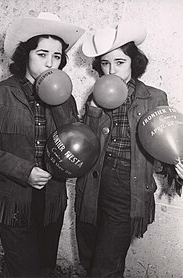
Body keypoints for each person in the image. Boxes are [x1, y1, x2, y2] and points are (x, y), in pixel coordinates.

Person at [0, 12, 84, 277]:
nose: (50, 63)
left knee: (45, 266)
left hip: (51, 198)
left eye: (56, 56)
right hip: (13, 199)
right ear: (25, 55)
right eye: (42, 54)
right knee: (23, 269)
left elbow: (74, 140)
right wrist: (24, 171)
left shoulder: (66, 98)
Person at [75, 21, 183, 277]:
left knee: (105, 264)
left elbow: (164, 142)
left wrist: (177, 166)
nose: (111, 70)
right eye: (105, 63)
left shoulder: (155, 98)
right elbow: (85, 144)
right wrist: (92, 111)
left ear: (134, 62)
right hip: (93, 182)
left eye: (119, 62)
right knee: (90, 255)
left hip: (128, 186)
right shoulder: (95, 95)